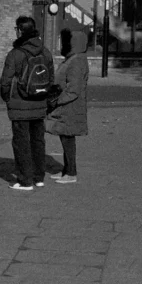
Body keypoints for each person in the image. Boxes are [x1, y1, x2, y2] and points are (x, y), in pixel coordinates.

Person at [0, 16, 55, 191]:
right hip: (39, 102)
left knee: (21, 142)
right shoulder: (45, 52)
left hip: (20, 103)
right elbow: (51, 79)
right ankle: (39, 177)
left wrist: (7, 98)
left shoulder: (15, 54)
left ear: (20, 31)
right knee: (38, 141)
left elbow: (5, 82)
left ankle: (25, 180)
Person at [46, 28, 89, 184]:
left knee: (68, 139)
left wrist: (57, 100)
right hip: (67, 106)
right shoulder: (73, 59)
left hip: (70, 107)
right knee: (65, 138)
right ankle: (66, 170)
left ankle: (71, 173)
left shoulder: (76, 61)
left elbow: (74, 89)